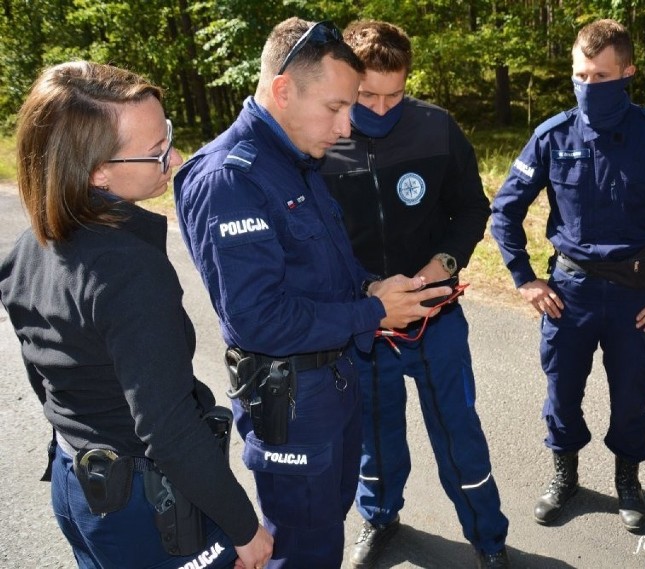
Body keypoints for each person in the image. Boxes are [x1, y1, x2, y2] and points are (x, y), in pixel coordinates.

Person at [173, 17, 451, 569]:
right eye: (335, 107)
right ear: (282, 89)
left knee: (325, 526)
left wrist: (373, 286)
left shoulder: (297, 160)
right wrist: (374, 311)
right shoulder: (230, 178)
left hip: (334, 382)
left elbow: (320, 269)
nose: (347, 127)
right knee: (301, 549)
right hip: (292, 401)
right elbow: (258, 319)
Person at [0, 61, 273, 569]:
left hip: (77, 484)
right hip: (150, 508)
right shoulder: (129, 271)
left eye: (165, 134)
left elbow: (44, 377)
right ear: (97, 170)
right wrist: (243, 527)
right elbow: (168, 430)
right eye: (155, 152)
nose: (173, 157)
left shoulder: (28, 246)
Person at [490, 19, 645, 531]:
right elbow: (505, 210)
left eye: (600, 77)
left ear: (629, 73)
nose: (588, 87)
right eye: (580, 76)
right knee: (562, 392)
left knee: (632, 395)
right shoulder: (553, 134)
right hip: (568, 292)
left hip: (637, 295)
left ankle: (628, 482)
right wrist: (525, 278)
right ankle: (564, 474)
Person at [320, 20, 511, 569]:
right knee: (374, 439)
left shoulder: (438, 128)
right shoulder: (324, 137)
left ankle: (489, 541)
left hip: (435, 316)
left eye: (395, 94)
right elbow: (315, 235)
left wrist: (442, 264)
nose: (380, 109)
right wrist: (366, 291)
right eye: (366, 96)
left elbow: (472, 208)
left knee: (460, 434)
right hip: (367, 322)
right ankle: (379, 519)